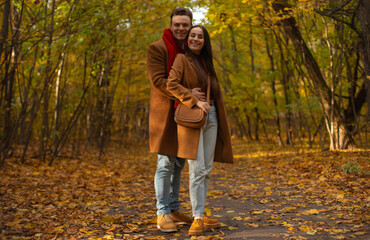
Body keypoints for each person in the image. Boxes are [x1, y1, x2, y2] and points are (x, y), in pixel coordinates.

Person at [166, 25, 234, 236]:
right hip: (193, 118)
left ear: (205, 41)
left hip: (211, 116)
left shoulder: (206, 61)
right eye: (192, 35)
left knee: (205, 170)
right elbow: (171, 84)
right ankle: (196, 218)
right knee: (196, 169)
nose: (196, 39)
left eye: (200, 36)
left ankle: (201, 212)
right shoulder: (181, 59)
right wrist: (193, 99)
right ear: (188, 39)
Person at [147, 8, 207, 233]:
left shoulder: (190, 51)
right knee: (165, 163)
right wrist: (189, 95)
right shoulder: (158, 48)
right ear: (171, 25)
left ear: (190, 25)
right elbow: (159, 82)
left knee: (179, 163)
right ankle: (162, 212)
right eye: (177, 24)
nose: (181, 28)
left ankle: (173, 208)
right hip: (165, 115)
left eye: (185, 25)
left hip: (185, 115)